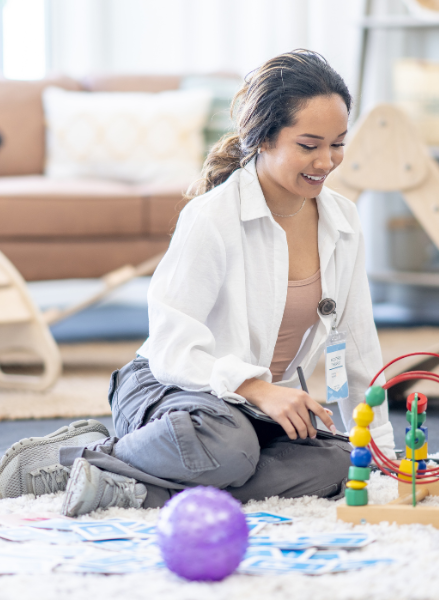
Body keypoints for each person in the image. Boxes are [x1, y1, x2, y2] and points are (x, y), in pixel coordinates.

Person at [0, 50, 396, 515]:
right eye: (309, 146)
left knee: (341, 462)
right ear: (264, 137)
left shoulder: (343, 221)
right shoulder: (212, 218)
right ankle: (80, 458)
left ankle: (135, 487)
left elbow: (358, 348)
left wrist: (383, 451)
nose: (327, 161)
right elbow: (171, 345)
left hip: (250, 409)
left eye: (338, 144)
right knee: (229, 445)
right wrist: (257, 388)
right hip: (170, 386)